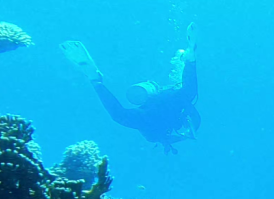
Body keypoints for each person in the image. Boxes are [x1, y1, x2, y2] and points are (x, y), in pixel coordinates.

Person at [60, 26, 199, 153]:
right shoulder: (163, 116)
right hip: (162, 110)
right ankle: (190, 59)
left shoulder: (151, 122)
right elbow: (119, 116)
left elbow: (119, 115)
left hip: (155, 113)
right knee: (188, 93)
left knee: (188, 92)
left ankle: (189, 59)